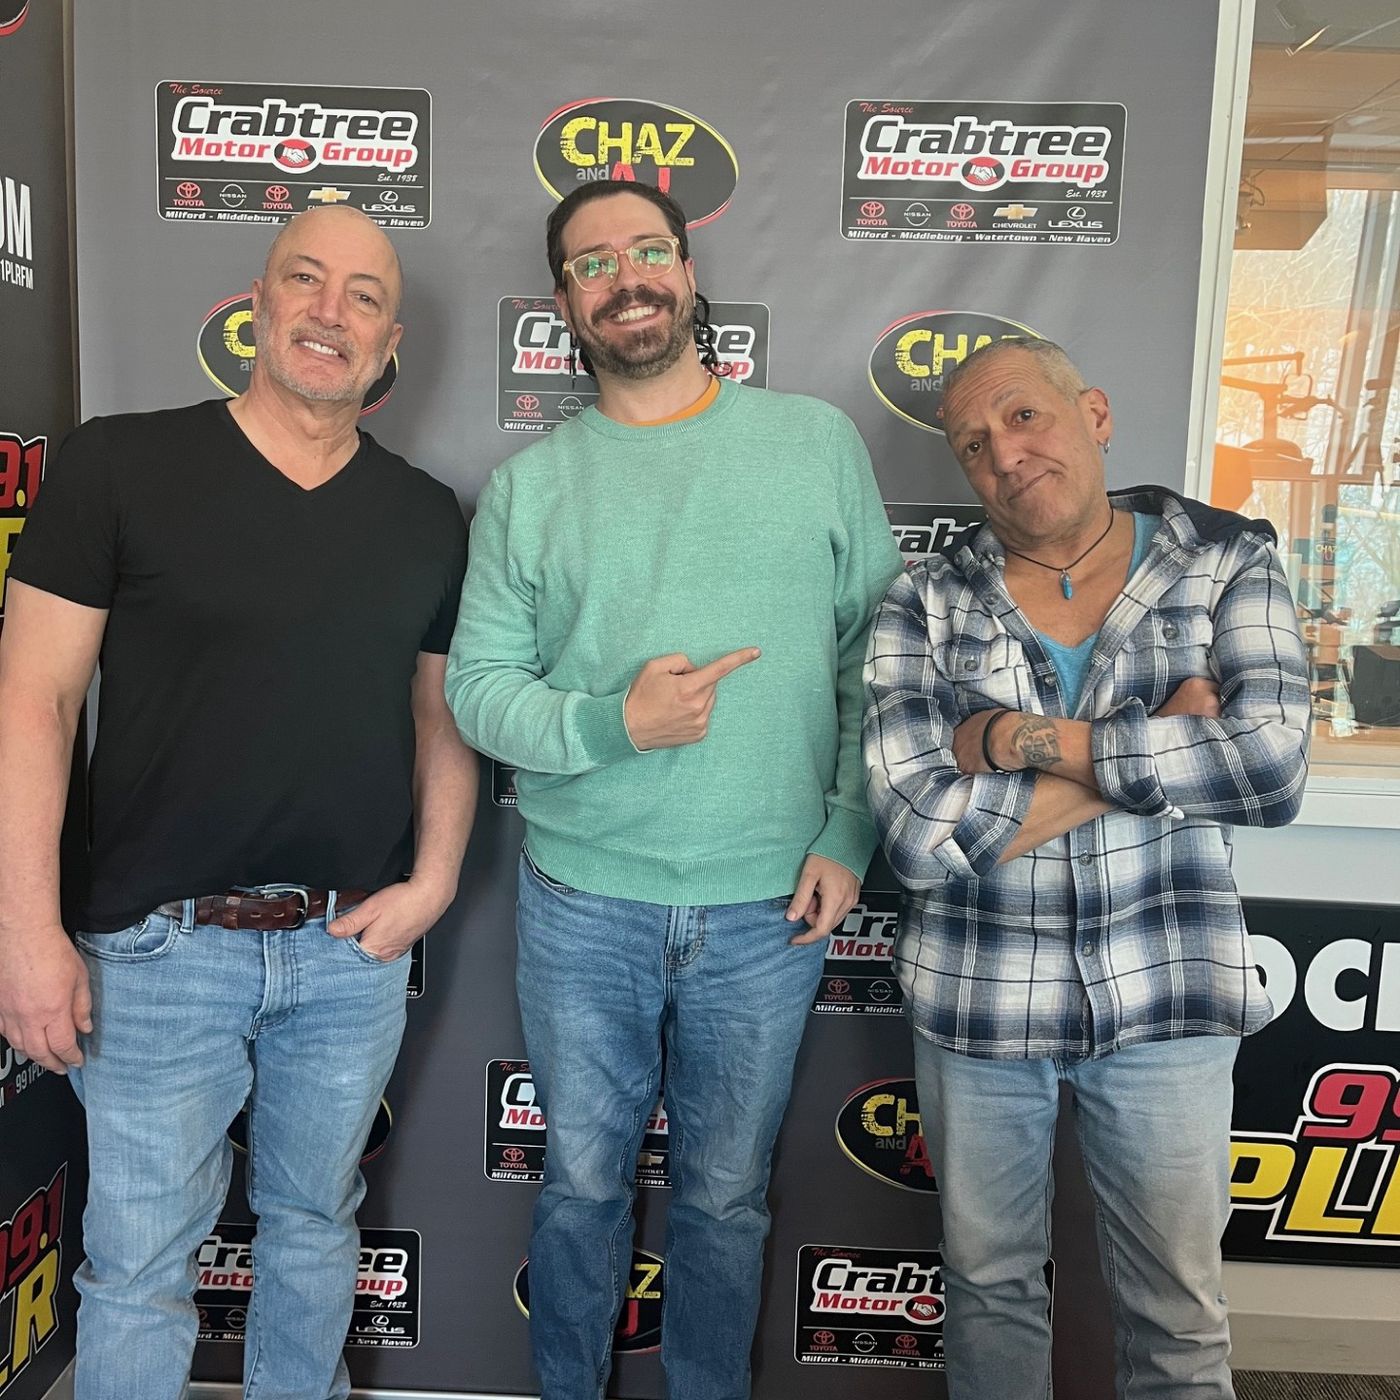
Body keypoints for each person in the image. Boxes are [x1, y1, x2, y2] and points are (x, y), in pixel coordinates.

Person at [0, 205, 477, 1400]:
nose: (330, 311)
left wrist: (432, 880)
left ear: (389, 342)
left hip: (347, 949)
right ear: (257, 305)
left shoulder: (427, 514)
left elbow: (440, 719)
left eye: (363, 295)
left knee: (316, 1226)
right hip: (153, 950)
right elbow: (33, 702)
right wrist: (25, 930)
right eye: (304, 280)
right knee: (137, 1268)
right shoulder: (118, 464)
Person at [446, 180, 902, 1398]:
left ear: (689, 275)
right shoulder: (529, 489)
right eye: (592, 263)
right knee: (581, 1186)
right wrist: (614, 723)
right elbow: (476, 691)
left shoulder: (812, 444)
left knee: (725, 1197)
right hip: (582, 902)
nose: (625, 278)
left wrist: (848, 825)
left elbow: (877, 661)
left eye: (646, 251)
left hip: (768, 906)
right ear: (563, 302)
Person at [863, 337, 1310, 1399]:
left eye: (1023, 415)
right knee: (988, 1291)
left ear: (1094, 414)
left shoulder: (1225, 560)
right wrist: (1158, 741)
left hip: (1167, 997)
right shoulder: (922, 602)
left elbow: (1268, 767)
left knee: (1177, 1316)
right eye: (974, 444)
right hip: (979, 1003)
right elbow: (919, 838)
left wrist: (1008, 740)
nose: (1004, 454)